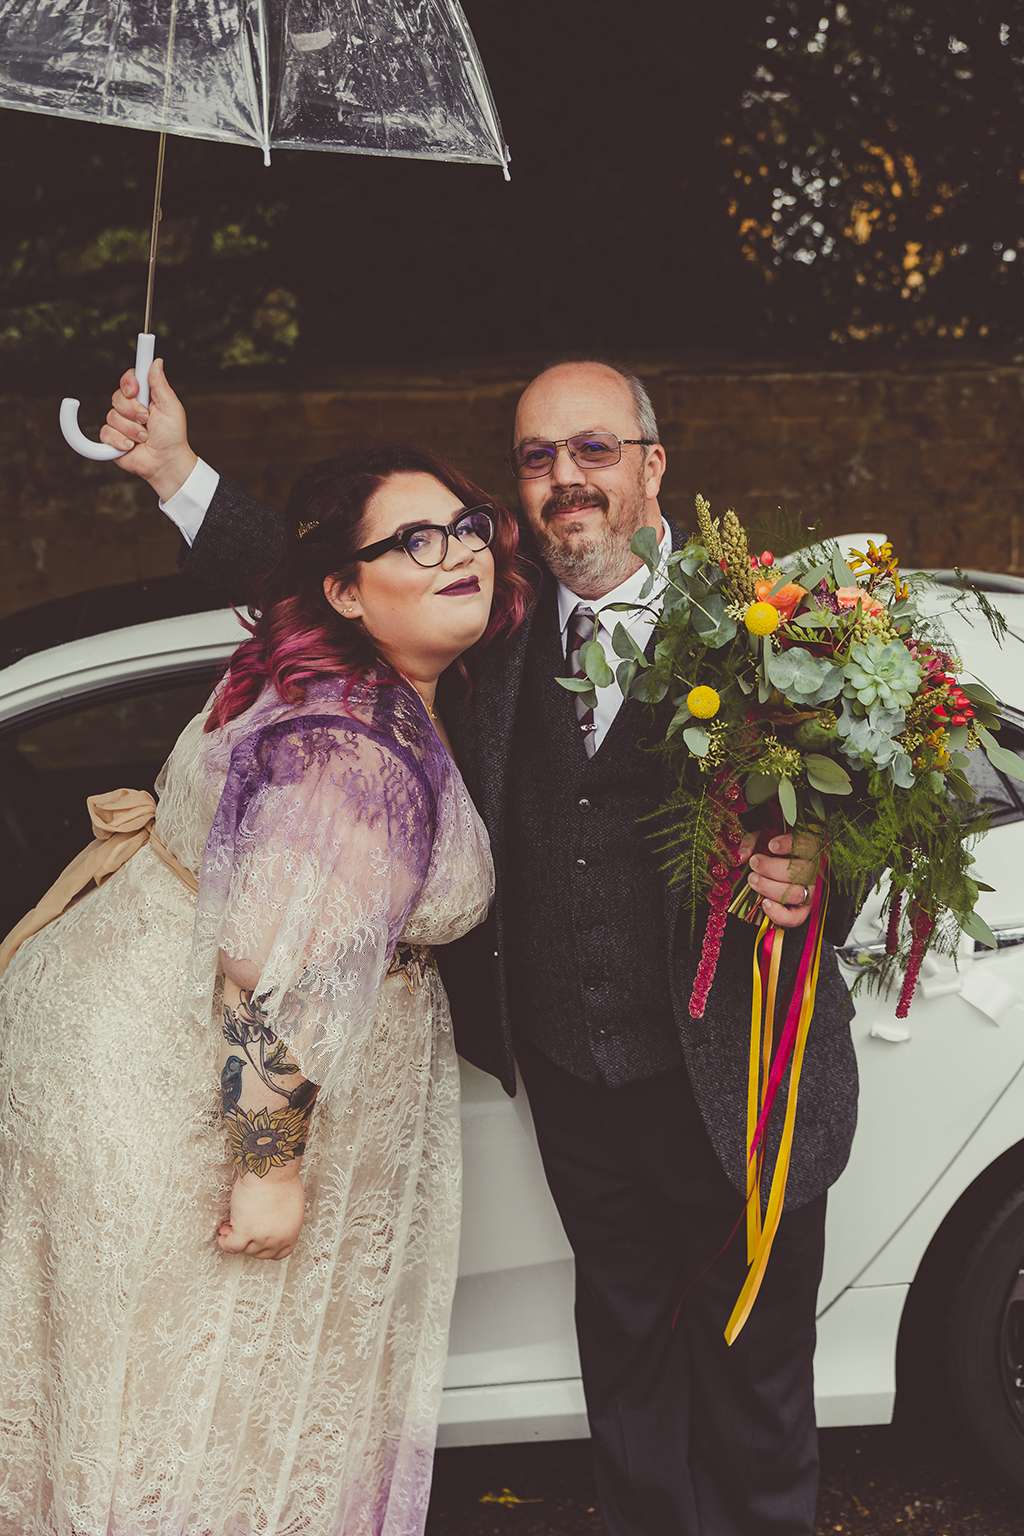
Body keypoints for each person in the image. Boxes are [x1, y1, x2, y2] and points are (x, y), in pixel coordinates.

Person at [102, 357, 859, 1536]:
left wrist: (819, 872)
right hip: (571, 1078)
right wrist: (174, 470)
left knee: (755, 1375)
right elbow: (330, 574)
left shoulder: (771, 625)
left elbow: (876, 808)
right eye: (537, 458)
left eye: (594, 450)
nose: (567, 479)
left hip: (737, 1074)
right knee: (625, 1354)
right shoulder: (488, 610)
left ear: (653, 465)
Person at [0, 446, 532, 1536]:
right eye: (415, 541)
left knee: (141, 1408)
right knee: (219, 1419)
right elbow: (269, 979)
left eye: (468, 527)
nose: (458, 554)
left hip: (124, 1052)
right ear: (346, 591)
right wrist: (270, 1169)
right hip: (201, 1105)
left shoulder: (307, 671)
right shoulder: (353, 747)